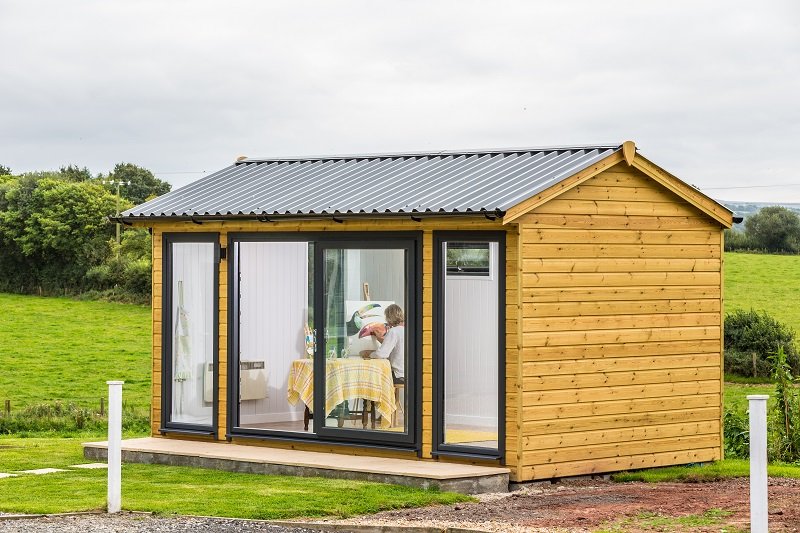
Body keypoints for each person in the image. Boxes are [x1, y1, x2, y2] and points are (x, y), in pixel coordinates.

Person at [362, 304, 404, 382]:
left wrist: (369, 354)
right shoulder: (406, 330)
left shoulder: (393, 331)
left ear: (389, 317)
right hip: (409, 374)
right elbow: (397, 347)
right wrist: (379, 339)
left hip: (398, 375)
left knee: (370, 376)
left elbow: (381, 354)